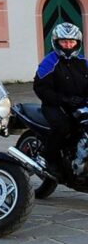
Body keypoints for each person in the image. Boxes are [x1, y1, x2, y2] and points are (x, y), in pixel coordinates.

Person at [33, 22, 88, 177]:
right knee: (63, 127)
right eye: (64, 42)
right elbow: (40, 87)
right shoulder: (49, 62)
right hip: (54, 105)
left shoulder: (83, 62)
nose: (68, 45)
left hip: (80, 104)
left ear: (78, 43)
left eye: (72, 42)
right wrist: (63, 99)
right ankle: (50, 160)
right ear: (56, 42)